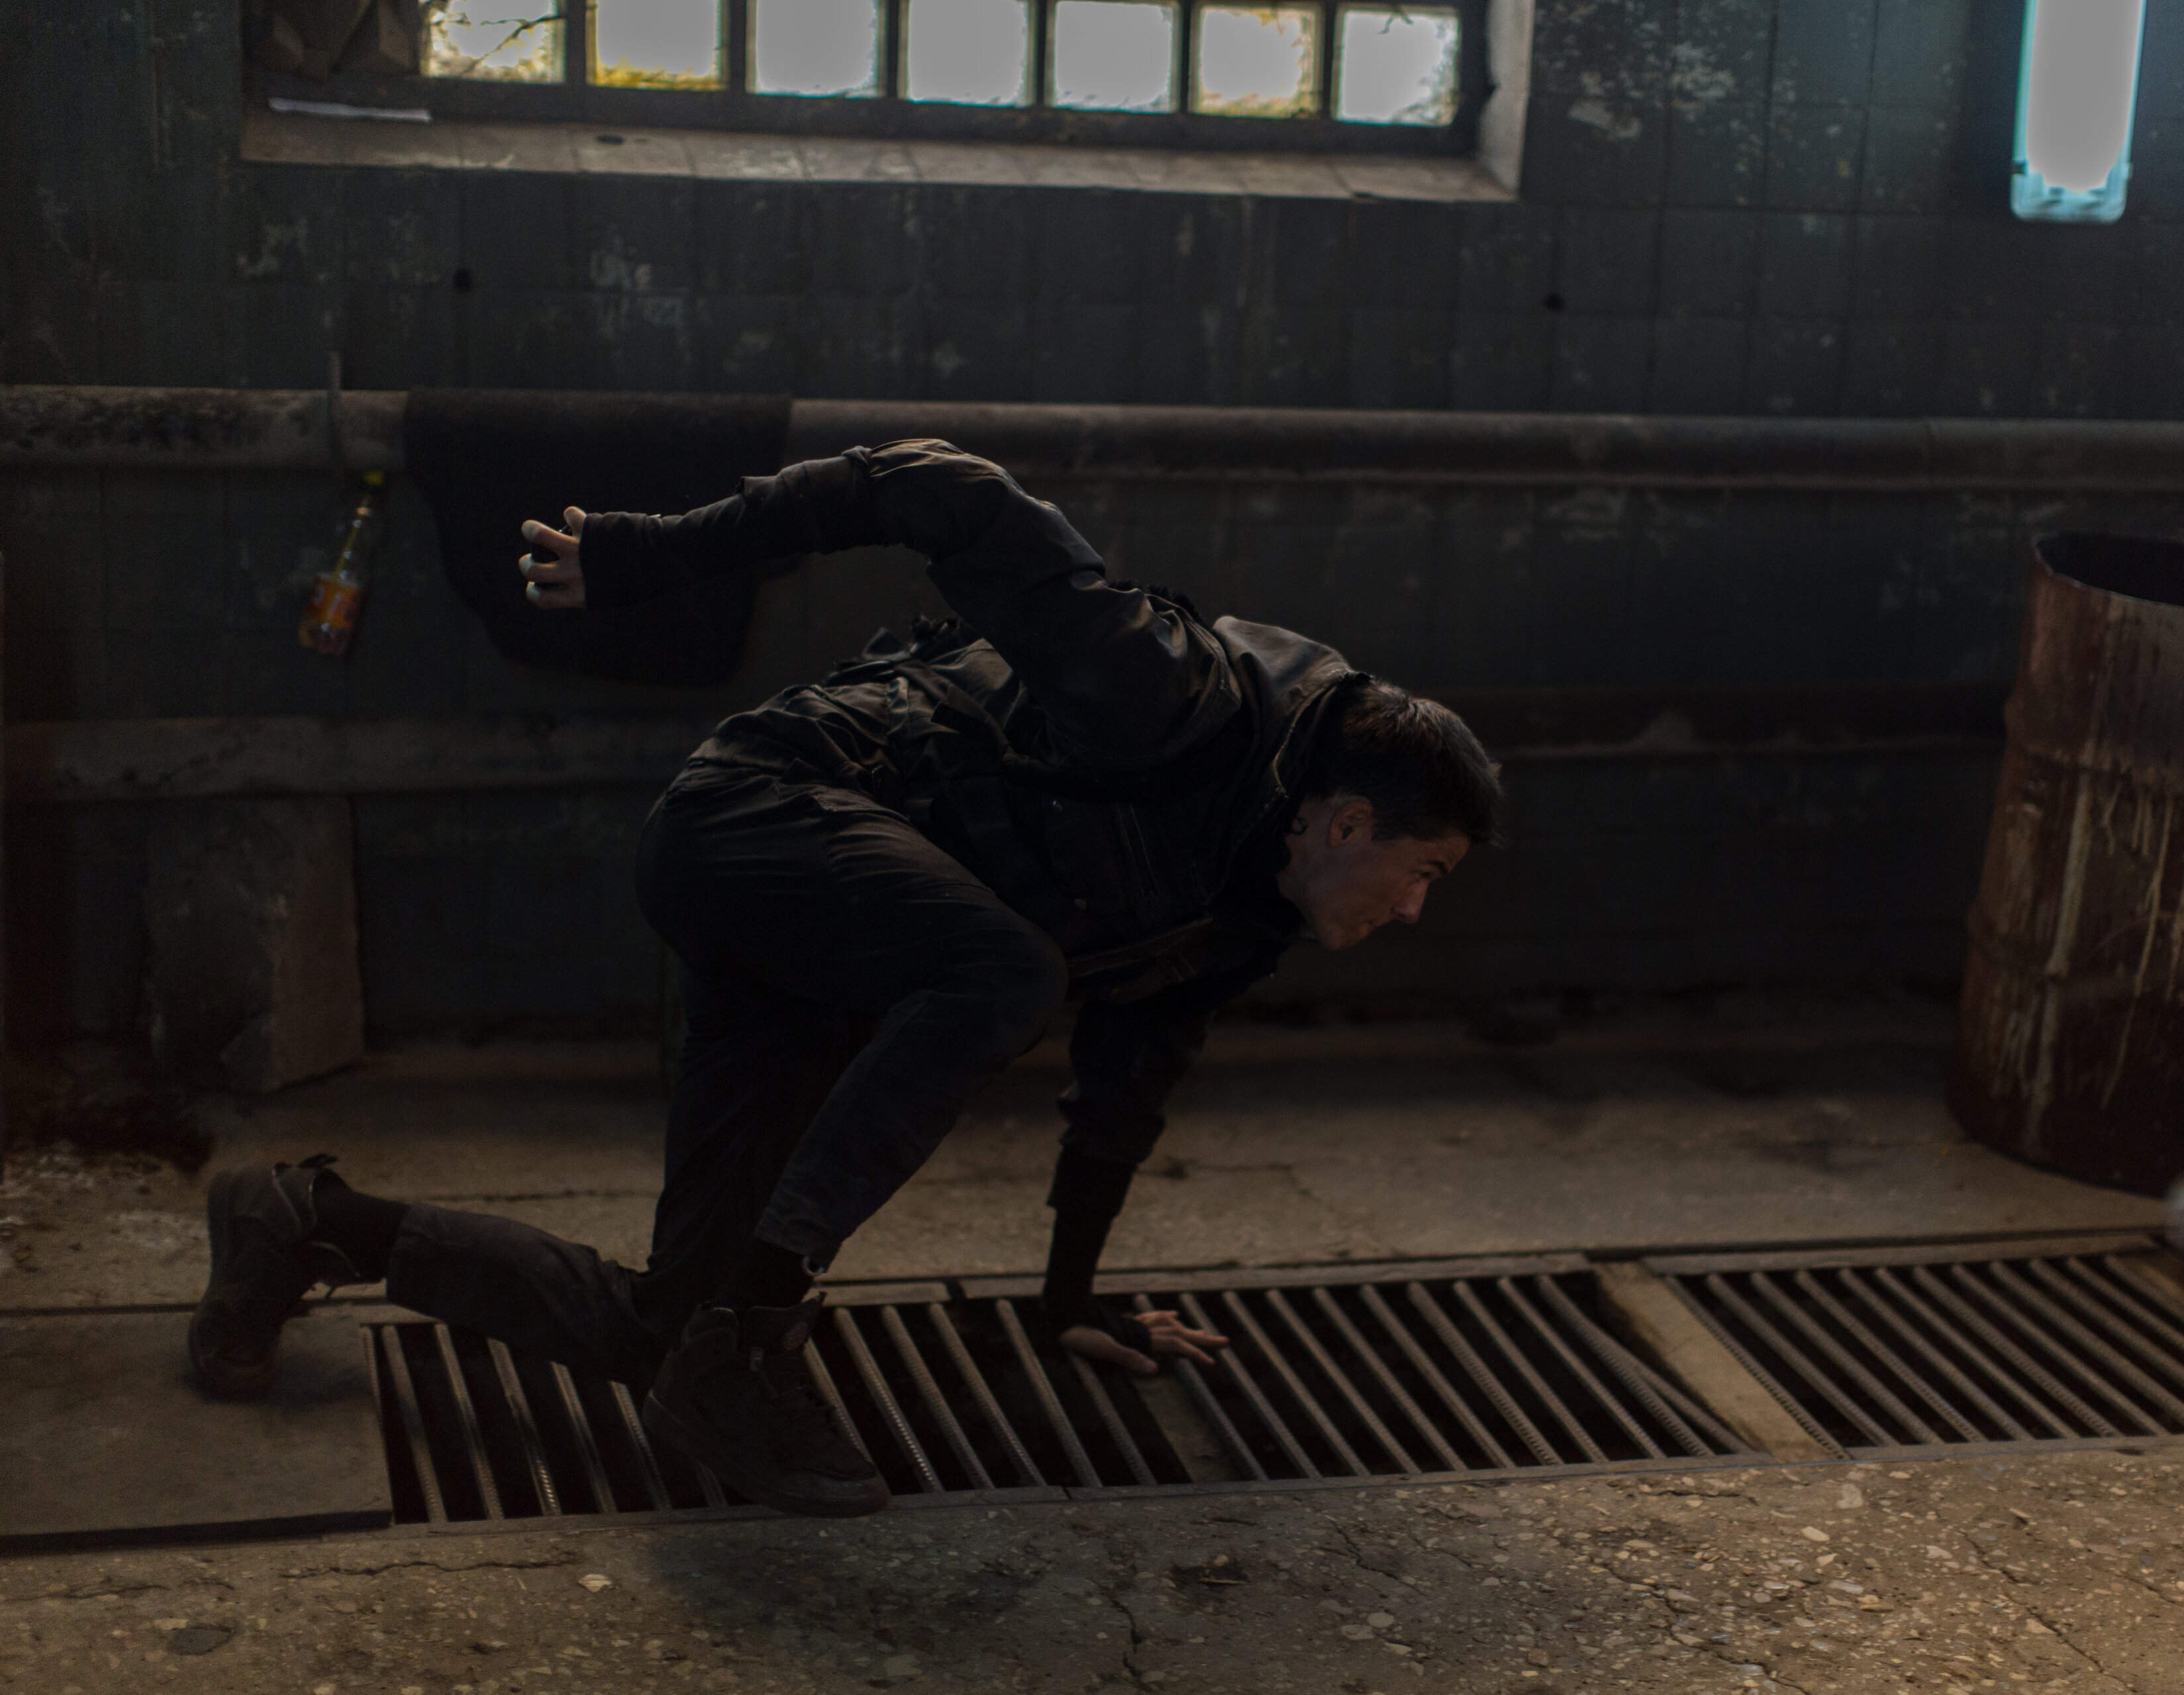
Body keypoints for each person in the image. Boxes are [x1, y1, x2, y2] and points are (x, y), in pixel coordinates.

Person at [186, 440, 1500, 1519]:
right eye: (1423, 870)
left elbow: (1129, 1080)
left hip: (837, 941)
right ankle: (763, 1318)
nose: (1415, 908)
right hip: (754, 814)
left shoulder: (1251, 907)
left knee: (666, 1335)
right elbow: (938, 487)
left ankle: (303, 1216)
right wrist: (650, 552)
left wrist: (1071, 1298)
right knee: (1008, 972)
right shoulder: (1172, 698)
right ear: (1345, 822)